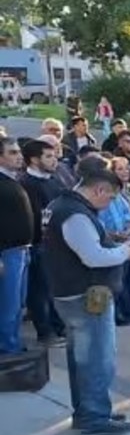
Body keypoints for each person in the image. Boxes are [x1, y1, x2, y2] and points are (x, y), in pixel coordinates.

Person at [43, 158, 130, 435]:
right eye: (110, 197)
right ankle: (93, 417)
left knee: (83, 358)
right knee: (96, 359)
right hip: (85, 297)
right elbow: (93, 257)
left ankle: (91, 410)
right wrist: (126, 252)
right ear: (99, 190)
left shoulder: (61, 206)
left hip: (71, 293)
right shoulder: (74, 214)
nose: (110, 203)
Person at [21, 139, 67, 347]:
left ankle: (59, 326)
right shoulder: (27, 184)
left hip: (58, 243)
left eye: (54, 155)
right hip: (40, 244)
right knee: (40, 290)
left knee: (55, 288)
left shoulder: (53, 180)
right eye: (48, 156)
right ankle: (45, 331)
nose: (53, 160)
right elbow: (39, 216)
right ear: (33, 160)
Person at [99, 158, 130, 327]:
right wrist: (114, 234)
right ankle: (118, 312)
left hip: (128, 240)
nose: (125, 172)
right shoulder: (106, 193)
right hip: (112, 242)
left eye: (126, 168)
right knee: (118, 281)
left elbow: (128, 214)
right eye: (119, 169)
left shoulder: (124, 194)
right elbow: (99, 219)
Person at [0, 136, 34, 354]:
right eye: (12, 152)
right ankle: (7, 347)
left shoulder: (12, 180)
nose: (19, 156)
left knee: (18, 303)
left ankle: (13, 342)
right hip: (7, 253)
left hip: (22, 250)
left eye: (18, 152)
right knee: (8, 305)